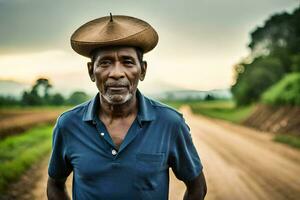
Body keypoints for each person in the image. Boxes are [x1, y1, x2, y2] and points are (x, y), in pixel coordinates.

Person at [47, 14, 207, 200]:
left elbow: (197, 188)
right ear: (91, 71)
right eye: (105, 63)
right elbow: (55, 185)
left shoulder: (170, 123)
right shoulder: (68, 124)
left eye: (127, 62)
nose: (116, 73)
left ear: (142, 70)